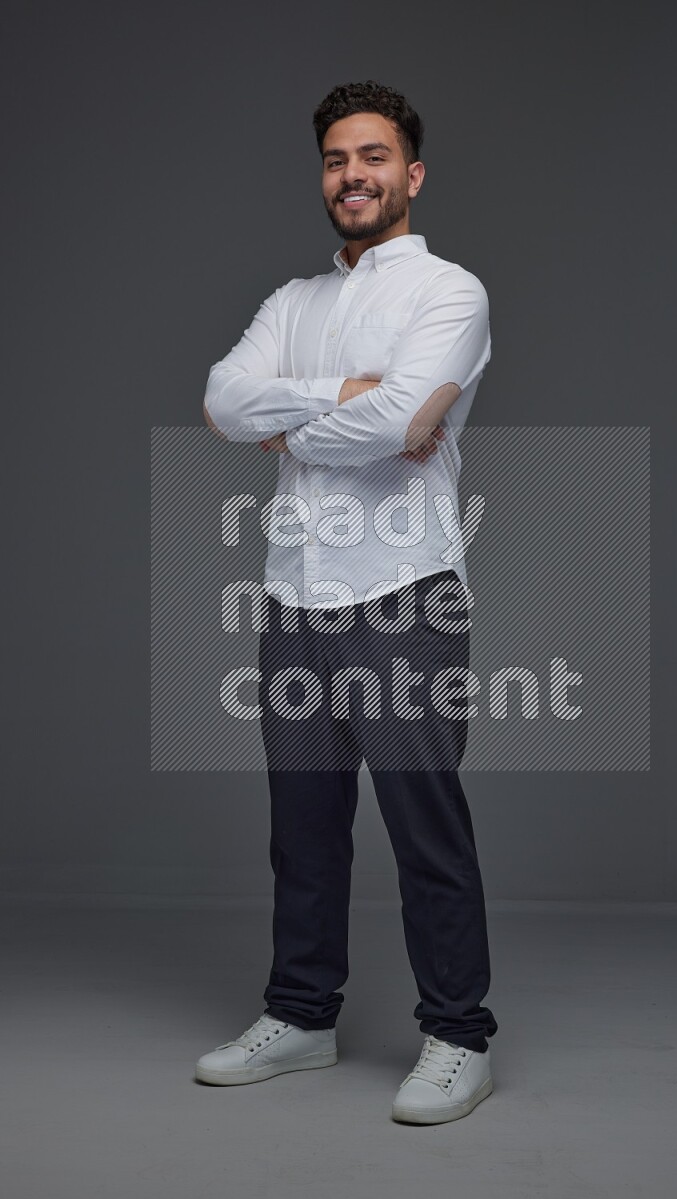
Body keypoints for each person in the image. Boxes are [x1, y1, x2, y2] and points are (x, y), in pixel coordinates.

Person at [195, 80, 498, 1125]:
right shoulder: (292, 303)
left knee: (426, 828)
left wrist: (314, 417)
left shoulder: (449, 293)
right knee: (303, 831)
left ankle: (458, 1033)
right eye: (334, 159)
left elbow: (408, 422)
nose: (352, 175)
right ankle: (301, 1014)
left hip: (402, 597)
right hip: (293, 598)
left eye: (371, 157)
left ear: (409, 175)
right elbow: (223, 402)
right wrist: (348, 400)